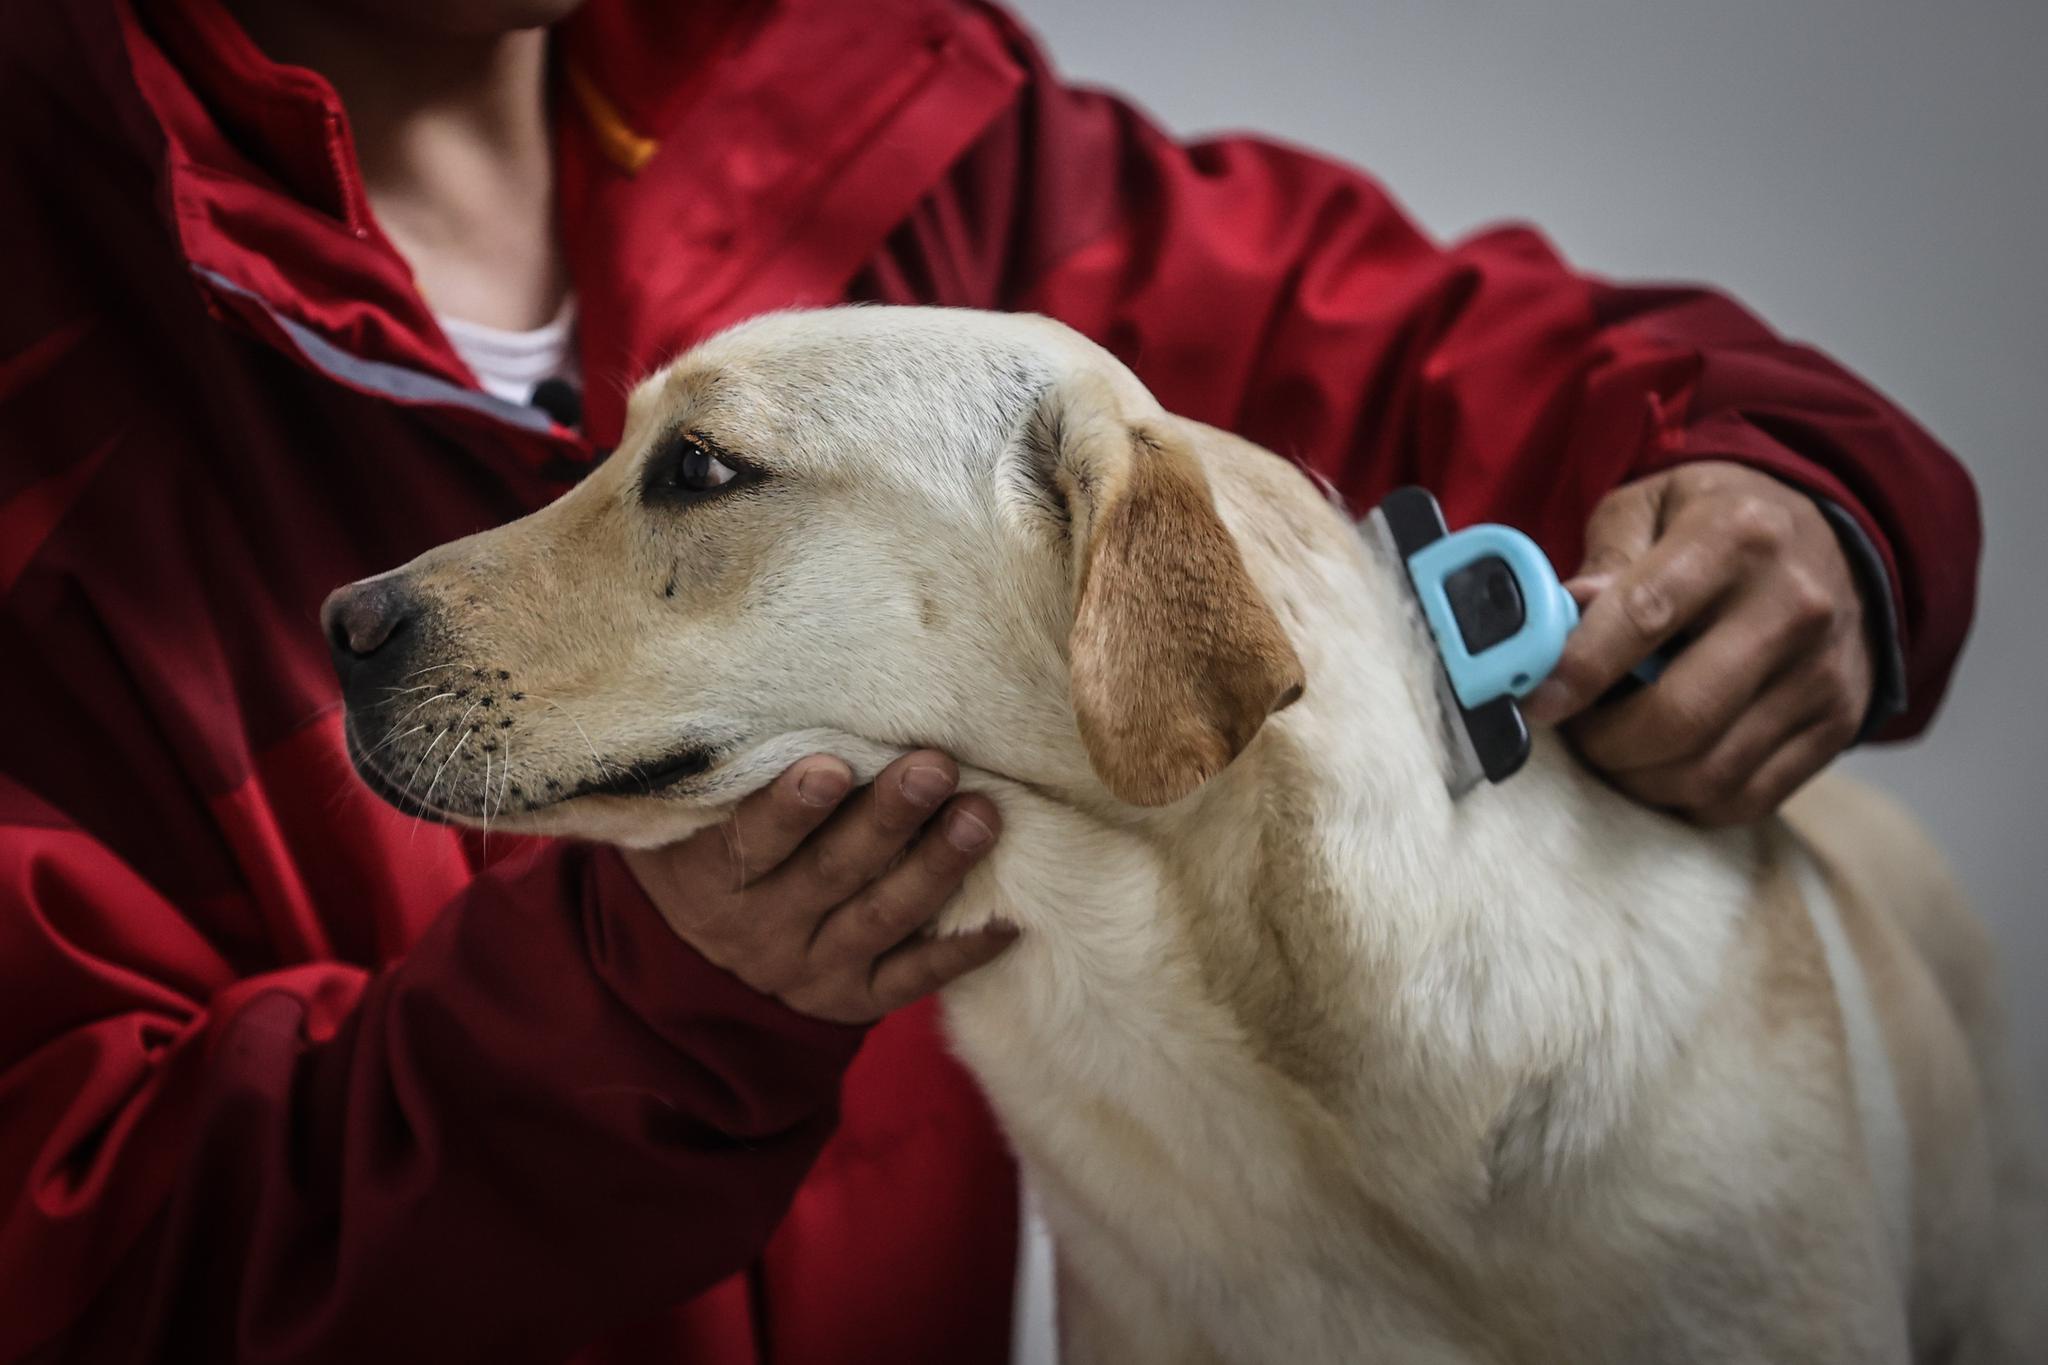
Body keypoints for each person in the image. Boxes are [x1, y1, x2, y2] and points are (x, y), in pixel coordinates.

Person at [0, 0, 1979, 1360]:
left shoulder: (902, 124)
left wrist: (1792, 491)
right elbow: (73, 1255)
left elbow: (1463, 346)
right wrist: (641, 1004)